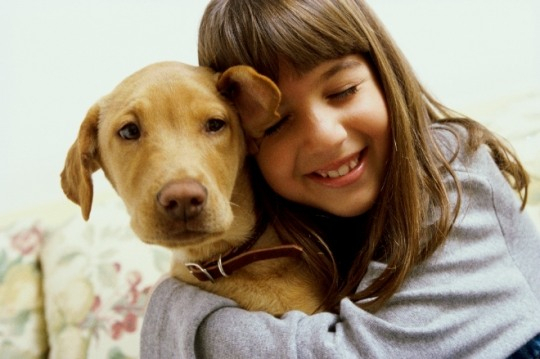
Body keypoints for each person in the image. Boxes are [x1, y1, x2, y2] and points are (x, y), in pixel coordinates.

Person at [141, 0, 540, 358]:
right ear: (246, 145)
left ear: (384, 75)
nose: (325, 136)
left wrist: (178, 314)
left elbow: (359, 353)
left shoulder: (453, 167)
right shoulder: (294, 223)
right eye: (277, 122)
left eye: (344, 91)